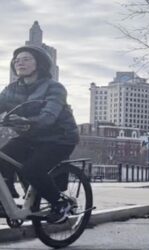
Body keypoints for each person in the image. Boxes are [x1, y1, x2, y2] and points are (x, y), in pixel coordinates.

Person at [0, 45, 79, 223]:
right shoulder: (11, 89)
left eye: (26, 59)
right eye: (17, 60)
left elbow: (50, 114)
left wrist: (31, 122)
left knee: (32, 168)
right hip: (30, 136)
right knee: (2, 157)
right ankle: (6, 200)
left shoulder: (54, 87)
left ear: (39, 64)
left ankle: (60, 204)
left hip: (59, 138)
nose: (20, 62)